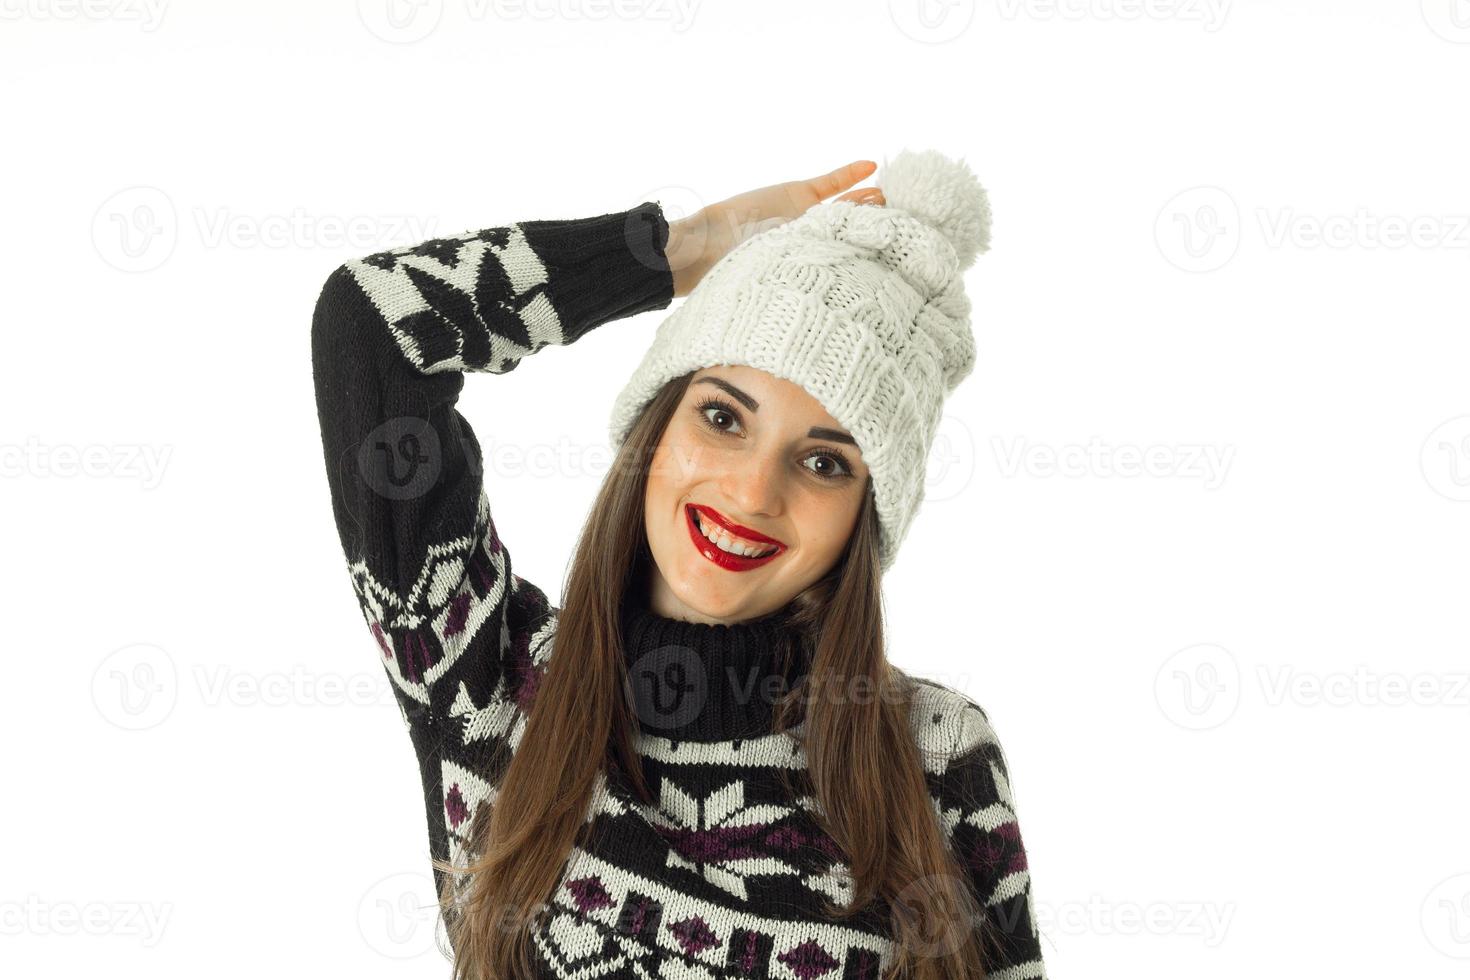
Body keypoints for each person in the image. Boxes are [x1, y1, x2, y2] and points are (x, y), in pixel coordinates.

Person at [311, 150, 1047, 979]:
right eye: (723, 417)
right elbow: (371, 327)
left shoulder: (936, 757)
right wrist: (683, 251)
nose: (751, 491)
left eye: (826, 463)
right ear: (657, 424)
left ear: (864, 520)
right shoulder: (484, 679)